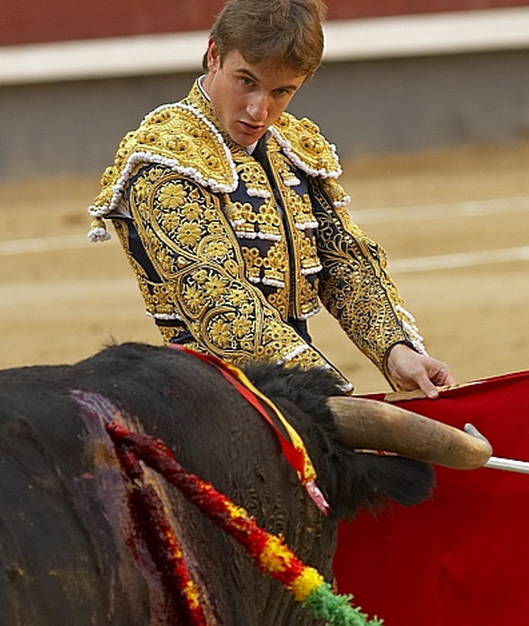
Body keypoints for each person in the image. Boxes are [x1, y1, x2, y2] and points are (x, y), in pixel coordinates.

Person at [87, 0, 454, 397]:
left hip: (292, 384)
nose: (259, 111)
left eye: (281, 91)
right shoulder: (165, 157)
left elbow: (342, 261)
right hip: (206, 396)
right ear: (213, 55)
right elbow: (221, 305)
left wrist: (395, 351)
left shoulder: (292, 145)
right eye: (246, 81)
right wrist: (327, 391)